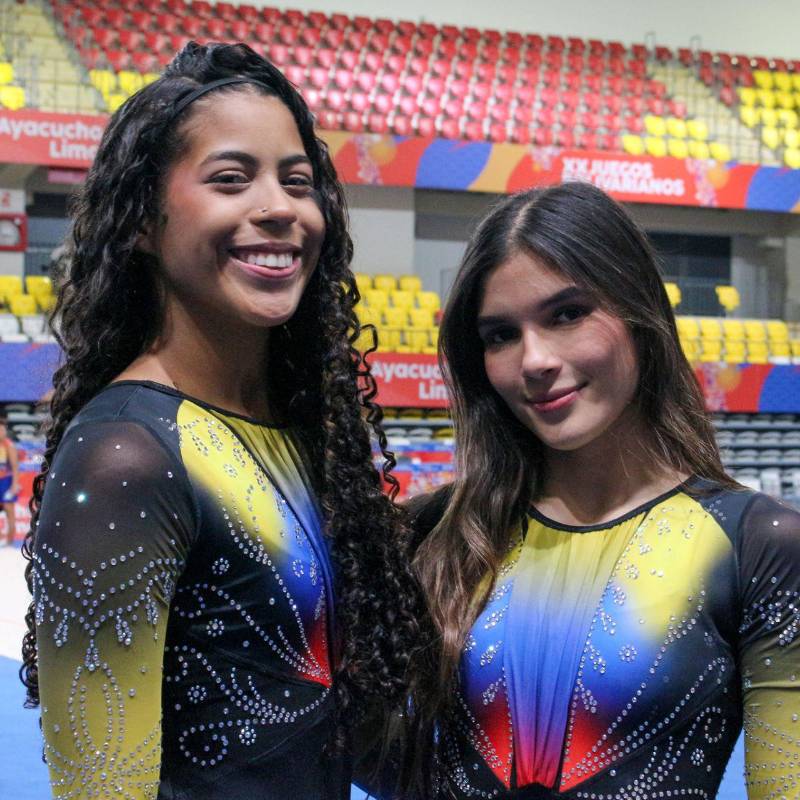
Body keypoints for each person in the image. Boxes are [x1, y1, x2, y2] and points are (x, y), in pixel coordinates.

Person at [20, 42, 427, 800]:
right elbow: (103, 786)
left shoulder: (305, 437)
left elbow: (337, 727)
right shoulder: (126, 456)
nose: (278, 207)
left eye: (297, 182)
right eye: (231, 179)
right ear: (142, 221)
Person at [408, 182, 800, 799]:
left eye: (567, 314)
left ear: (639, 315)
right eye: (500, 335)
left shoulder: (756, 544)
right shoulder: (436, 530)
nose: (533, 359)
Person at [0, 418, 20, 544]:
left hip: (6, 482)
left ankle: (9, 542)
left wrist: (14, 485)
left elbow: (15, 467)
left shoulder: (9, 446)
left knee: (9, 511)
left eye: (2, 430)